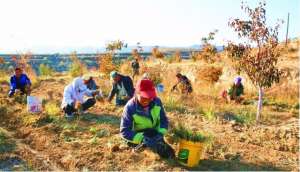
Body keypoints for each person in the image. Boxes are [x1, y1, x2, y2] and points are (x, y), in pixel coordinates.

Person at [120, 79, 175, 158]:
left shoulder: (157, 102)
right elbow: (124, 131)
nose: (147, 100)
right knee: (146, 147)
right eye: (144, 97)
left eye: (150, 97)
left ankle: (153, 144)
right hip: (137, 135)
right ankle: (139, 147)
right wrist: (142, 139)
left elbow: (163, 120)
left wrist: (160, 134)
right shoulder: (130, 107)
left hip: (153, 133)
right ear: (136, 93)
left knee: (170, 154)